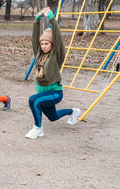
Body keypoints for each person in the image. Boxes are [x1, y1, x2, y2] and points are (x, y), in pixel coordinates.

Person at [25, 7, 81, 139]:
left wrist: (52, 19)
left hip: (55, 93)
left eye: (46, 43)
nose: (43, 46)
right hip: (43, 92)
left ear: (52, 44)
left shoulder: (57, 56)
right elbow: (34, 38)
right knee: (53, 117)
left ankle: (37, 129)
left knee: (33, 101)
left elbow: (58, 38)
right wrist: (36, 21)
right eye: (42, 43)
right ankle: (73, 111)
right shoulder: (39, 54)